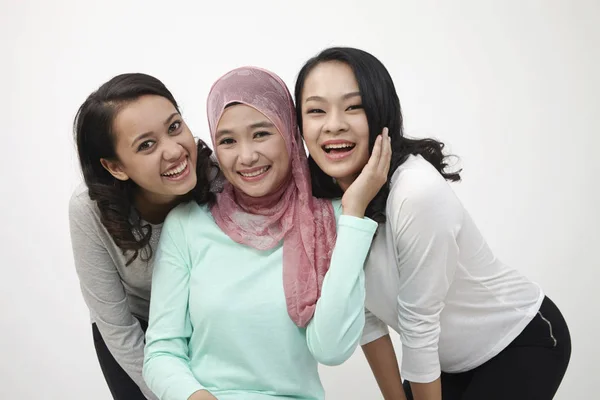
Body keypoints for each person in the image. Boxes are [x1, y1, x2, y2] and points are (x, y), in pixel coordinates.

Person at [295, 47, 571, 400]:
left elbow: (419, 326)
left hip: (519, 340)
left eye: (354, 106)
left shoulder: (415, 193)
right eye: (316, 110)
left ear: (382, 112)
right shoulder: (324, 204)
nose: (333, 124)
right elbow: (365, 316)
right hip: (445, 361)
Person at [142, 66, 391, 400]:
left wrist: (354, 212)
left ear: (290, 133)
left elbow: (331, 348)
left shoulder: (331, 220)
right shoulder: (188, 224)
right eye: (228, 141)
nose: (246, 157)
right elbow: (161, 353)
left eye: (261, 134)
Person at [69, 73, 217, 400]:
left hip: (209, 322)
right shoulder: (88, 212)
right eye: (146, 145)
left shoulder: (220, 177)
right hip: (138, 330)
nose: (174, 150)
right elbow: (117, 326)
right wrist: (171, 391)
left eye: (175, 127)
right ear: (115, 167)